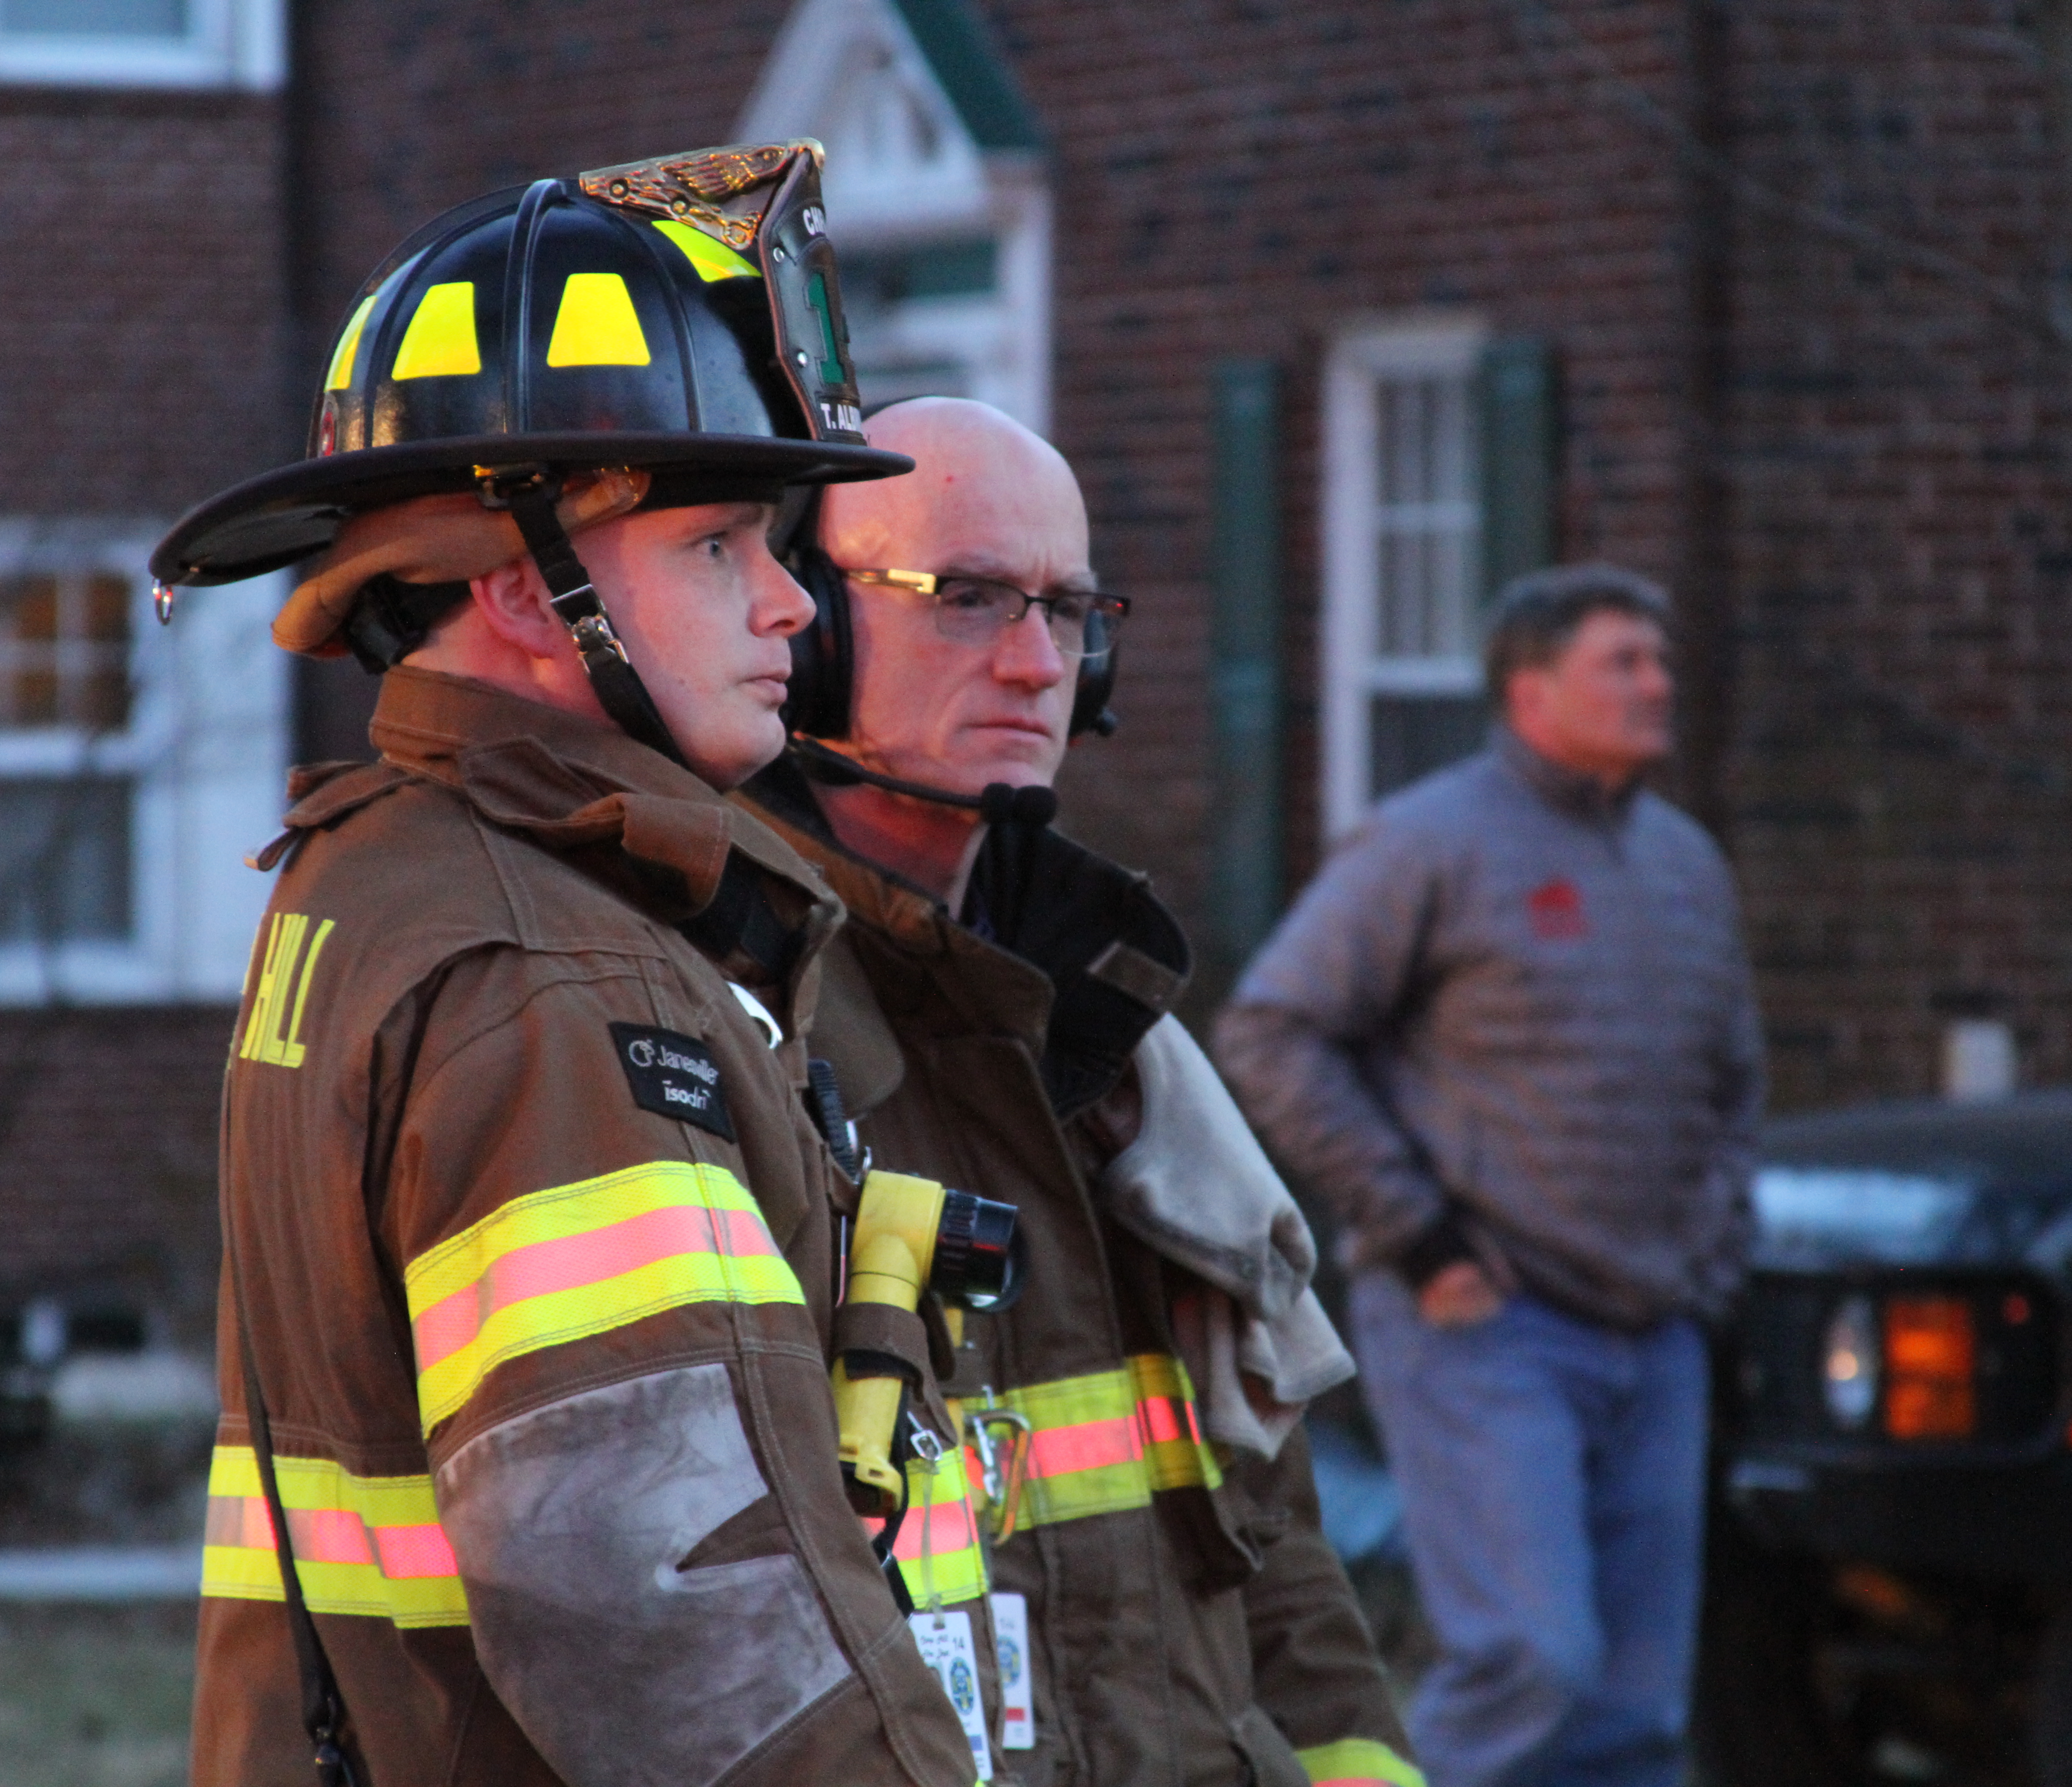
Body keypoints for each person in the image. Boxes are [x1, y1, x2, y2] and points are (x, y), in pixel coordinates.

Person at [151, 145, 992, 1787]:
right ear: (518, 584)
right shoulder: (555, 982)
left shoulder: (398, 876)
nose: (788, 605)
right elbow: (692, 1618)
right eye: (715, 549)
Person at [740, 397, 1420, 1787]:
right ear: (801, 632)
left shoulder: (1106, 1030)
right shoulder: (727, 1012)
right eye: (970, 598)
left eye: (1068, 610)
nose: (1039, 663)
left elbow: (1270, 1542)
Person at [1214, 565, 1763, 1787]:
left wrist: (1713, 1257)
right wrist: (1422, 1241)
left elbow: (1735, 1082)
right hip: (1487, 1327)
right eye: (1624, 662)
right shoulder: (1431, 841)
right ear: (1531, 687)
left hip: (1659, 1333)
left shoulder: (1685, 862)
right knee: (1532, 1658)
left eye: (1660, 661)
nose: (1657, 684)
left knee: (1636, 1710)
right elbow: (1273, 1031)